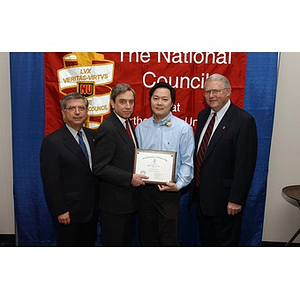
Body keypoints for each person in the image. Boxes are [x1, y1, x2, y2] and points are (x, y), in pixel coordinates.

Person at [193, 74, 257, 246]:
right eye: (207, 92)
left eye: (216, 91)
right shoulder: (203, 115)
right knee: (207, 242)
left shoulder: (243, 121)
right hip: (202, 199)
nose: (211, 95)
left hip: (226, 203)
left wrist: (236, 199)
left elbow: (245, 165)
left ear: (228, 92)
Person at [135, 82, 195, 246]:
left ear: (172, 103)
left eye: (164, 99)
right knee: (147, 236)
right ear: (150, 101)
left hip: (169, 191)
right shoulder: (141, 127)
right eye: (155, 98)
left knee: (168, 238)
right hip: (144, 191)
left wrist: (178, 185)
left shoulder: (183, 129)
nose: (159, 103)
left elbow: (187, 162)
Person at [40, 92, 98, 246]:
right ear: (63, 113)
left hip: (92, 210)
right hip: (69, 213)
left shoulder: (94, 136)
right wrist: (61, 210)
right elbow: (51, 181)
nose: (77, 112)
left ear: (87, 111)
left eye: (81, 108)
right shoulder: (52, 142)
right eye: (72, 108)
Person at [93, 83, 148, 246]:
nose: (128, 106)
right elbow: (99, 167)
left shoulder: (127, 123)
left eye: (131, 102)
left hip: (128, 202)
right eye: (123, 102)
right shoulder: (108, 128)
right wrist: (129, 178)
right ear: (112, 103)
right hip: (114, 206)